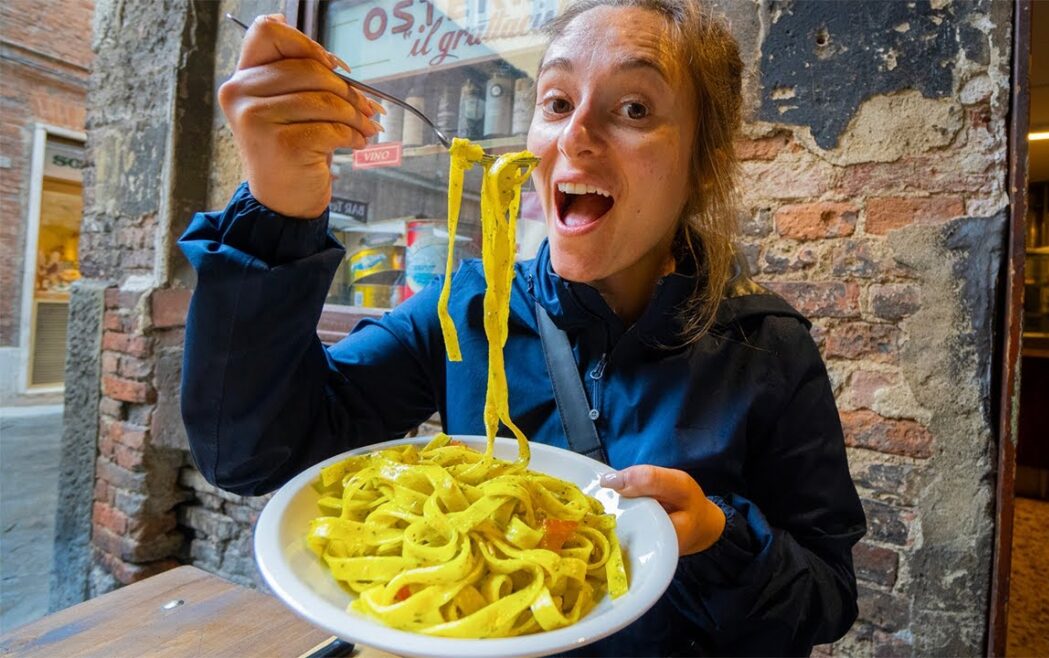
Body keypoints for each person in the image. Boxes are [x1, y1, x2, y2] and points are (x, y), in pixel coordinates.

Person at [179, 1, 866, 655]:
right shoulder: (465, 310)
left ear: (704, 165)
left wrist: (721, 539)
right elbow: (255, 454)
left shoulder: (768, 349)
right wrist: (279, 207)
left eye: (634, 107)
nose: (575, 137)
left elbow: (829, 596)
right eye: (558, 103)